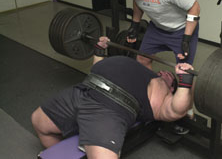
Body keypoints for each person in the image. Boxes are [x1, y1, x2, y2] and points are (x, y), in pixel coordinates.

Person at [31, 36, 195, 159]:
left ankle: (93, 137)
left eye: (171, 76)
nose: (165, 73)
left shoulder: (162, 95)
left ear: (172, 88)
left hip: (109, 109)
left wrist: (186, 82)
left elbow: (176, 110)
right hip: (84, 90)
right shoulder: (144, 71)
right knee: (38, 121)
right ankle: (84, 140)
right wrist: (100, 51)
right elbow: (97, 68)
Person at [116, 0, 200, 70]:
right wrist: (135, 24)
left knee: (185, 72)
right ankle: (153, 86)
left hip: (181, 30)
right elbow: (137, 1)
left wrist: (186, 38)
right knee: (142, 59)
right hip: (156, 28)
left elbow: (195, 8)